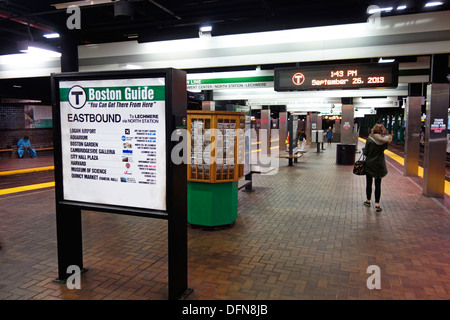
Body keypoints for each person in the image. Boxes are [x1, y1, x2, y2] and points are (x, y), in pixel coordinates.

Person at [362, 123, 392, 212]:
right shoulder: (385, 140)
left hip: (370, 164)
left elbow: (366, 152)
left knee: (369, 183)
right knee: (378, 184)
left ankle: (368, 201)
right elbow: (384, 149)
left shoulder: (370, 139)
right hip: (379, 164)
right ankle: (377, 204)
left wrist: (364, 150)